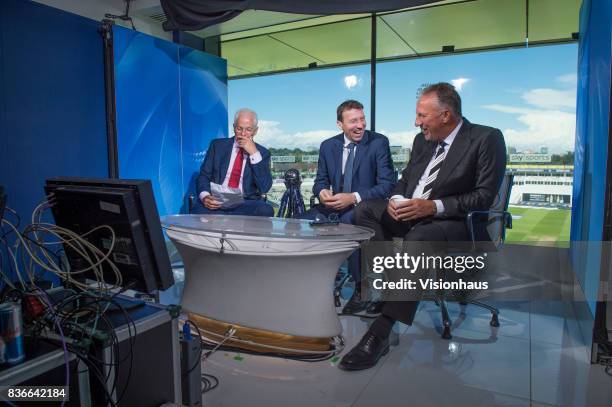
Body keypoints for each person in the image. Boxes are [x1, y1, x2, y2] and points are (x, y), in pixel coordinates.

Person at [339, 82, 507, 371]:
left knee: (421, 236)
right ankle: (393, 288)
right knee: (365, 210)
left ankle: (380, 331)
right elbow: (405, 180)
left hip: (454, 222)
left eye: (422, 116)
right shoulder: (422, 140)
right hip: (413, 213)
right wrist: (396, 199)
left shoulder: (486, 138)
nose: (416, 122)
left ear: (446, 115)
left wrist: (434, 206)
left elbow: (484, 196)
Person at [306, 100, 395, 314]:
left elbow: (387, 185)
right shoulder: (328, 146)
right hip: (334, 205)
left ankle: (360, 289)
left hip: (365, 207)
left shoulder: (378, 143)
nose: (360, 125)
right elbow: (320, 181)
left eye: (362, 119)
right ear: (340, 124)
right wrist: (321, 192)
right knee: (300, 220)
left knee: (350, 221)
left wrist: (353, 197)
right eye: (353, 121)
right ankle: (308, 283)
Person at [194, 108, 273, 216]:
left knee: (266, 210)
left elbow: (264, 187)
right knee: (197, 210)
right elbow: (204, 176)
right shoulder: (217, 146)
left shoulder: (262, 153)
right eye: (239, 128)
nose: (243, 134)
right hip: (217, 200)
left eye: (248, 129)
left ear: (255, 130)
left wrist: (254, 153)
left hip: (246, 203)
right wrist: (205, 196)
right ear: (233, 127)